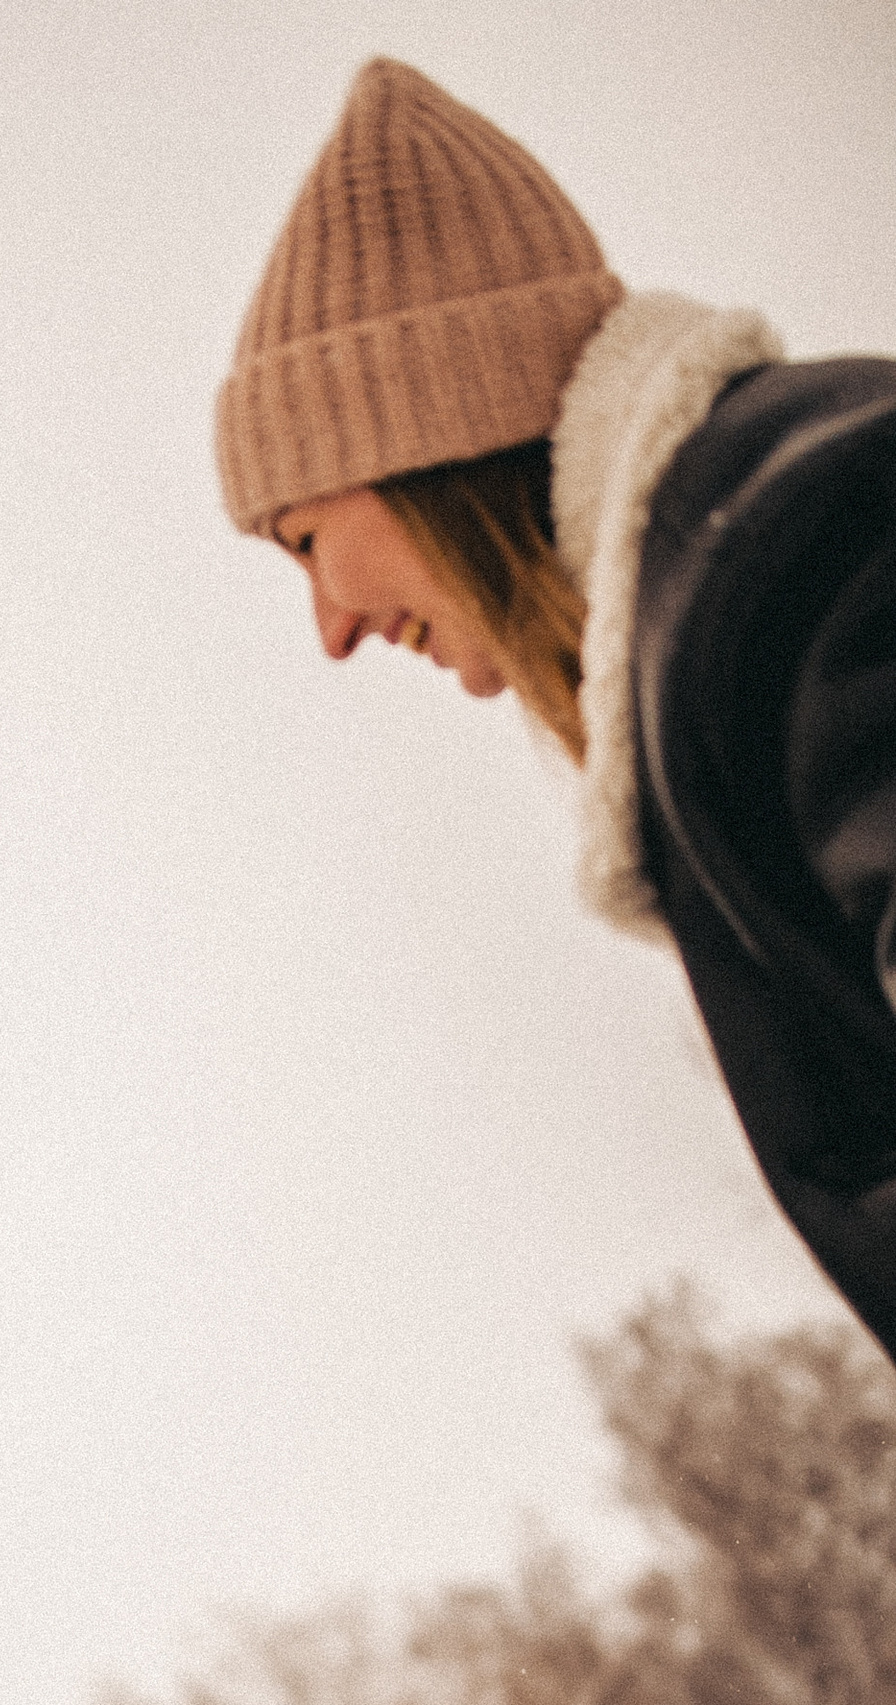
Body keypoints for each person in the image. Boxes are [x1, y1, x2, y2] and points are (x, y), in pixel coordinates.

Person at [215, 57, 896, 1349]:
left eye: (305, 539)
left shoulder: (807, 548)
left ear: (422, 439)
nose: (332, 630)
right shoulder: (726, 599)